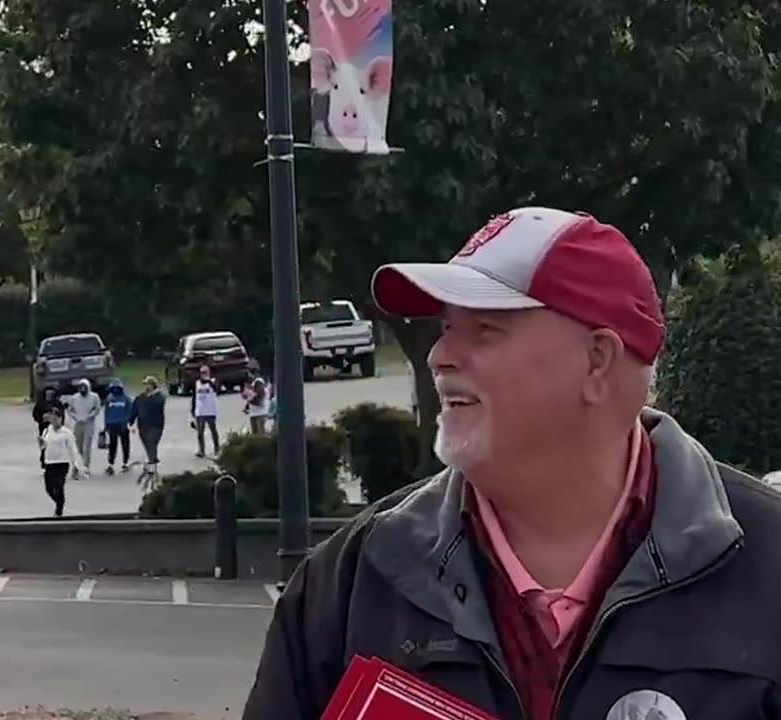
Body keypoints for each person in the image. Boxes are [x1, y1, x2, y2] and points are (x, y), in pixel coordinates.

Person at [243, 206, 781, 720]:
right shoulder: (349, 583)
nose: (440, 356)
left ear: (598, 361)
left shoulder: (766, 564)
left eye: (484, 330)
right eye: (447, 328)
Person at [40, 408, 85, 517]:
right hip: (49, 462)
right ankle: (58, 502)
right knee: (49, 488)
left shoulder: (66, 433)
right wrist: (41, 444)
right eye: (52, 419)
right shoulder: (47, 430)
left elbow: (73, 449)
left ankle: (59, 510)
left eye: (56, 419)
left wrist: (76, 465)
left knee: (59, 485)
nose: (54, 421)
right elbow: (43, 446)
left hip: (61, 463)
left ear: (60, 419)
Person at [130, 375, 167, 486]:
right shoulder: (140, 397)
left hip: (156, 426)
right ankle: (153, 460)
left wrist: (153, 395)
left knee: (151, 443)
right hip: (142, 426)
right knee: (147, 445)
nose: (146, 386)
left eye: (148, 384)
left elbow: (159, 404)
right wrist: (130, 422)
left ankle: (152, 468)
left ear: (153, 385)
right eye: (145, 384)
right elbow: (134, 409)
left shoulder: (159, 397)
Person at [65, 377, 102, 475]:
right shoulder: (74, 398)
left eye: (84, 387)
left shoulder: (94, 397)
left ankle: (86, 466)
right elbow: (69, 409)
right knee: (78, 446)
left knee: (86, 446)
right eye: (81, 387)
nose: (82, 389)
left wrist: (90, 416)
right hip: (78, 423)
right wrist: (75, 417)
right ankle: (79, 464)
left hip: (89, 423)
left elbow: (97, 408)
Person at [103, 378, 133, 475]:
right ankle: (110, 464)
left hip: (123, 425)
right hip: (112, 425)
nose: (115, 390)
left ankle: (125, 463)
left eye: (117, 388)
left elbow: (130, 411)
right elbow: (106, 412)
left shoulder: (126, 398)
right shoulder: (109, 398)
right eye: (114, 388)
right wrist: (106, 425)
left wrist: (129, 422)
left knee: (125, 444)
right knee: (112, 445)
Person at [190, 365, 220, 457]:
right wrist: (193, 409)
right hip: (200, 411)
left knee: (213, 430)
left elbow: (217, 390)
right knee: (200, 433)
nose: (203, 374)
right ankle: (201, 450)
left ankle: (217, 448)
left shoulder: (213, 381)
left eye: (205, 372)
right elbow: (194, 397)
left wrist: (209, 382)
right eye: (202, 372)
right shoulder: (197, 383)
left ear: (209, 373)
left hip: (210, 410)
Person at [32, 385, 65, 463]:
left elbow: (62, 415)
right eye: (47, 394)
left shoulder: (58, 404)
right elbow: (35, 414)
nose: (49, 396)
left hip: (55, 428)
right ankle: (44, 460)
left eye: (51, 394)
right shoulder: (40, 404)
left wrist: (60, 425)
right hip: (44, 427)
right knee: (44, 444)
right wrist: (41, 421)